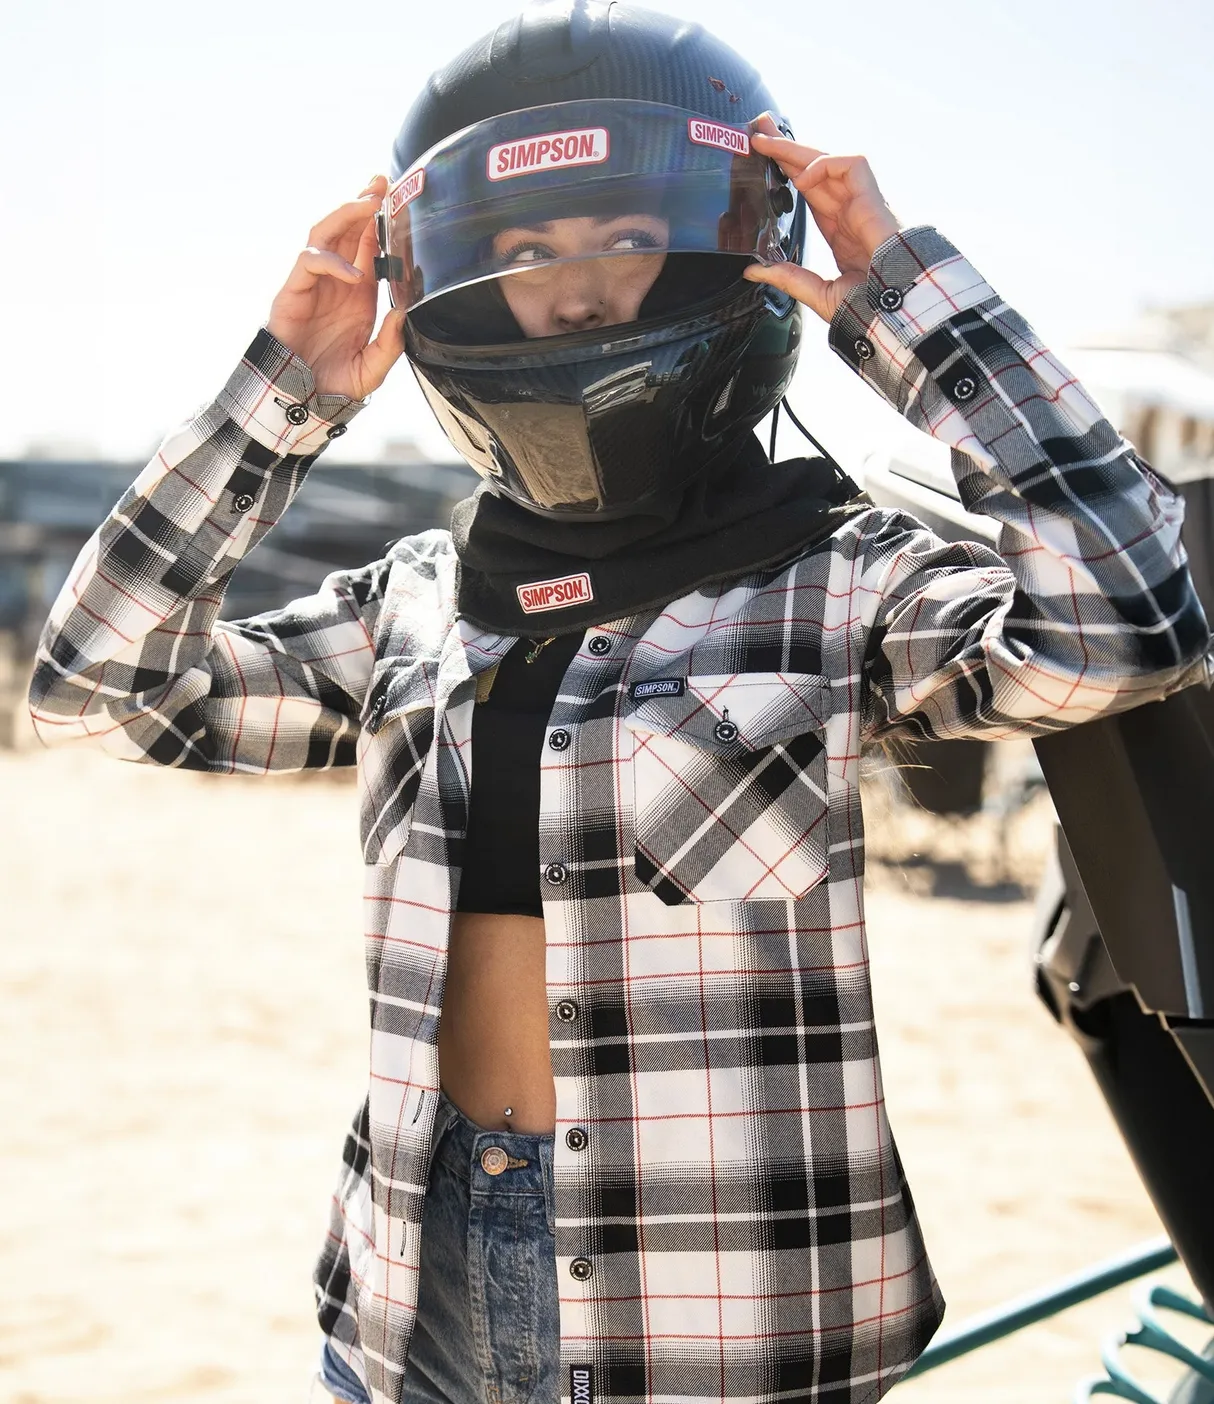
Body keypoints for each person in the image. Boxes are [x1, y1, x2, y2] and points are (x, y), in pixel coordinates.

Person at [29, 4, 1211, 1404]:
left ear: (725, 242)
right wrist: (280, 395)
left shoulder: (836, 583)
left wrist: (908, 304)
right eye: (528, 251)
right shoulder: (419, 602)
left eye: (625, 235)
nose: (577, 289)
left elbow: (1126, 628)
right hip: (410, 1287)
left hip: (725, 1312)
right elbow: (99, 684)